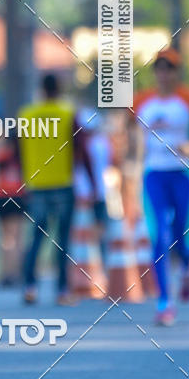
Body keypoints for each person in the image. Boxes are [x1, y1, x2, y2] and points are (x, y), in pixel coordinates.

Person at [132, 48, 189, 326]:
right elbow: (131, 135)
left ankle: (188, 267)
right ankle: (165, 302)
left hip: (184, 175)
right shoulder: (142, 102)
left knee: (184, 239)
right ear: (155, 73)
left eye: (170, 69)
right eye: (160, 69)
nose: (164, 74)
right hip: (154, 176)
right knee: (158, 235)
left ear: (177, 72)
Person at [18, 73, 95, 305]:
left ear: (41, 89)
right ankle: (62, 290)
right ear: (59, 89)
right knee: (62, 240)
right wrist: (91, 182)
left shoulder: (27, 115)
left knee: (36, 238)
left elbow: (19, 150)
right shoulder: (68, 113)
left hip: (37, 184)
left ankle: (30, 287)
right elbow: (81, 149)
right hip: (62, 183)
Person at [74, 108, 112, 266]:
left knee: (86, 232)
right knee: (99, 230)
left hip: (85, 193)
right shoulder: (103, 143)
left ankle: (91, 264)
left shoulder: (85, 144)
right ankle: (100, 264)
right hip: (97, 192)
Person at [0, 133, 26, 286]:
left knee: (6, 239)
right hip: (18, 196)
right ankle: (16, 272)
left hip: (2, 196)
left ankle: (6, 272)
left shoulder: (2, 155)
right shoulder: (22, 156)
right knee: (17, 238)